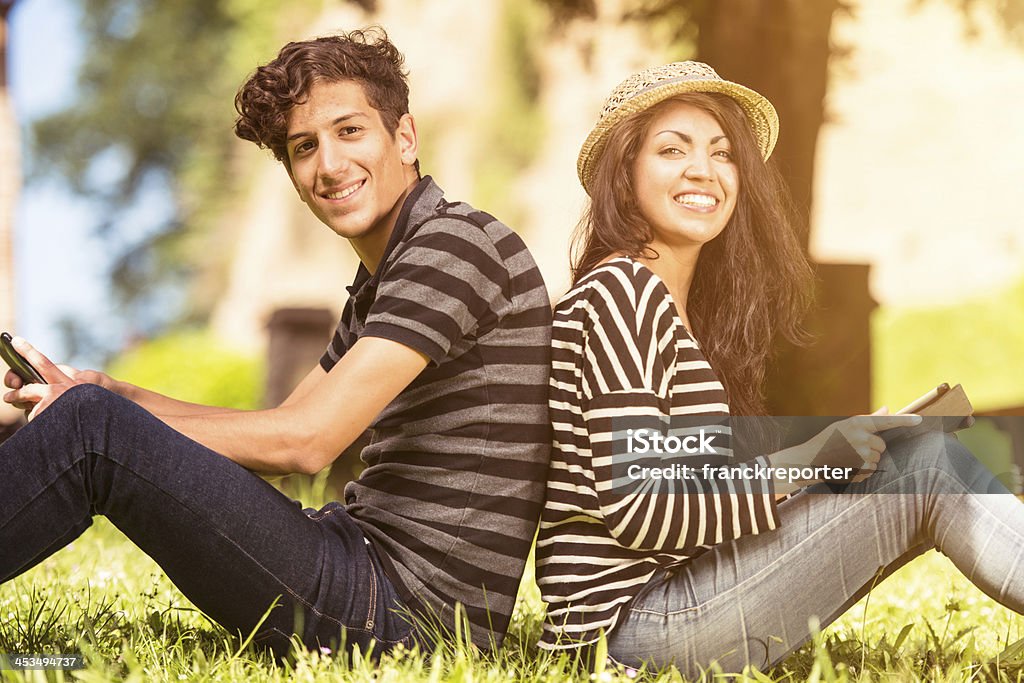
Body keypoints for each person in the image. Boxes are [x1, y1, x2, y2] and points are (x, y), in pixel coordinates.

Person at [0, 29, 552, 657]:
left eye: (350, 131)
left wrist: (105, 418)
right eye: (304, 147)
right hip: (366, 566)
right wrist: (113, 391)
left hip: (405, 613)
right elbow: (285, 422)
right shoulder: (389, 276)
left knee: (91, 429)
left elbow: (306, 443)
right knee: (92, 416)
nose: (329, 165)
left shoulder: (451, 248)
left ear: (405, 137)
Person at [536, 61, 1024, 676]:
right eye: (671, 149)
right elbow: (642, 507)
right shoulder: (622, 293)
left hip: (667, 607)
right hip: (633, 629)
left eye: (722, 152)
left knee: (910, 456)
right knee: (926, 466)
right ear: (623, 174)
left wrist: (839, 460)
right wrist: (813, 458)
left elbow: (697, 492)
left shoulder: (667, 304)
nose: (703, 170)